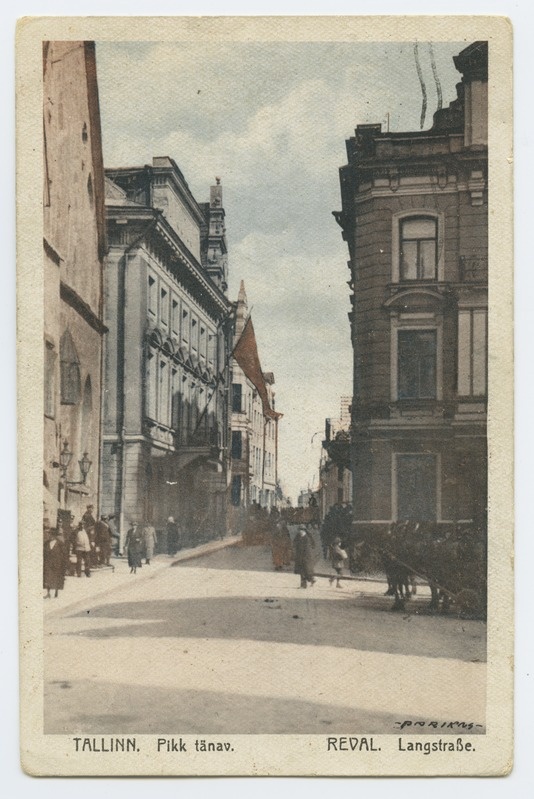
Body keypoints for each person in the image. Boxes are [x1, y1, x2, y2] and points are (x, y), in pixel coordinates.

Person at [43, 527, 67, 598]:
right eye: (49, 534)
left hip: (57, 564)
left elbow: (64, 554)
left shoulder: (60, 543)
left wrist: (64, 564)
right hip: (48, 563)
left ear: (54, 535)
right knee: (47, 578)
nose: (49, 536)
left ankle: (56, 592)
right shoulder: (46, 543)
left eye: (51, 534)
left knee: (56, 578)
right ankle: (48, 593)